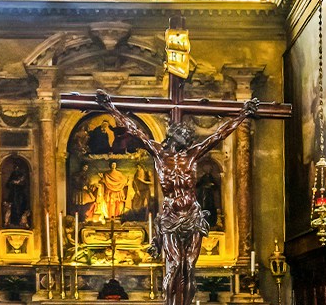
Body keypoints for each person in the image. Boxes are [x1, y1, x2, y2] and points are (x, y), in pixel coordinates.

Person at [95, 90, 260, 305]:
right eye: (184, 137)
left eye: (188, 138)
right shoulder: (159, 154)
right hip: (172, 217)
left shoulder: (192, 155)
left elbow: (219, 134)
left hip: (192, 214)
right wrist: (110, 107)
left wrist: (242, 115)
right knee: (174, 267)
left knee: (189, 267)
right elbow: (134, 130)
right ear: (174, 137)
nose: (187, 141)